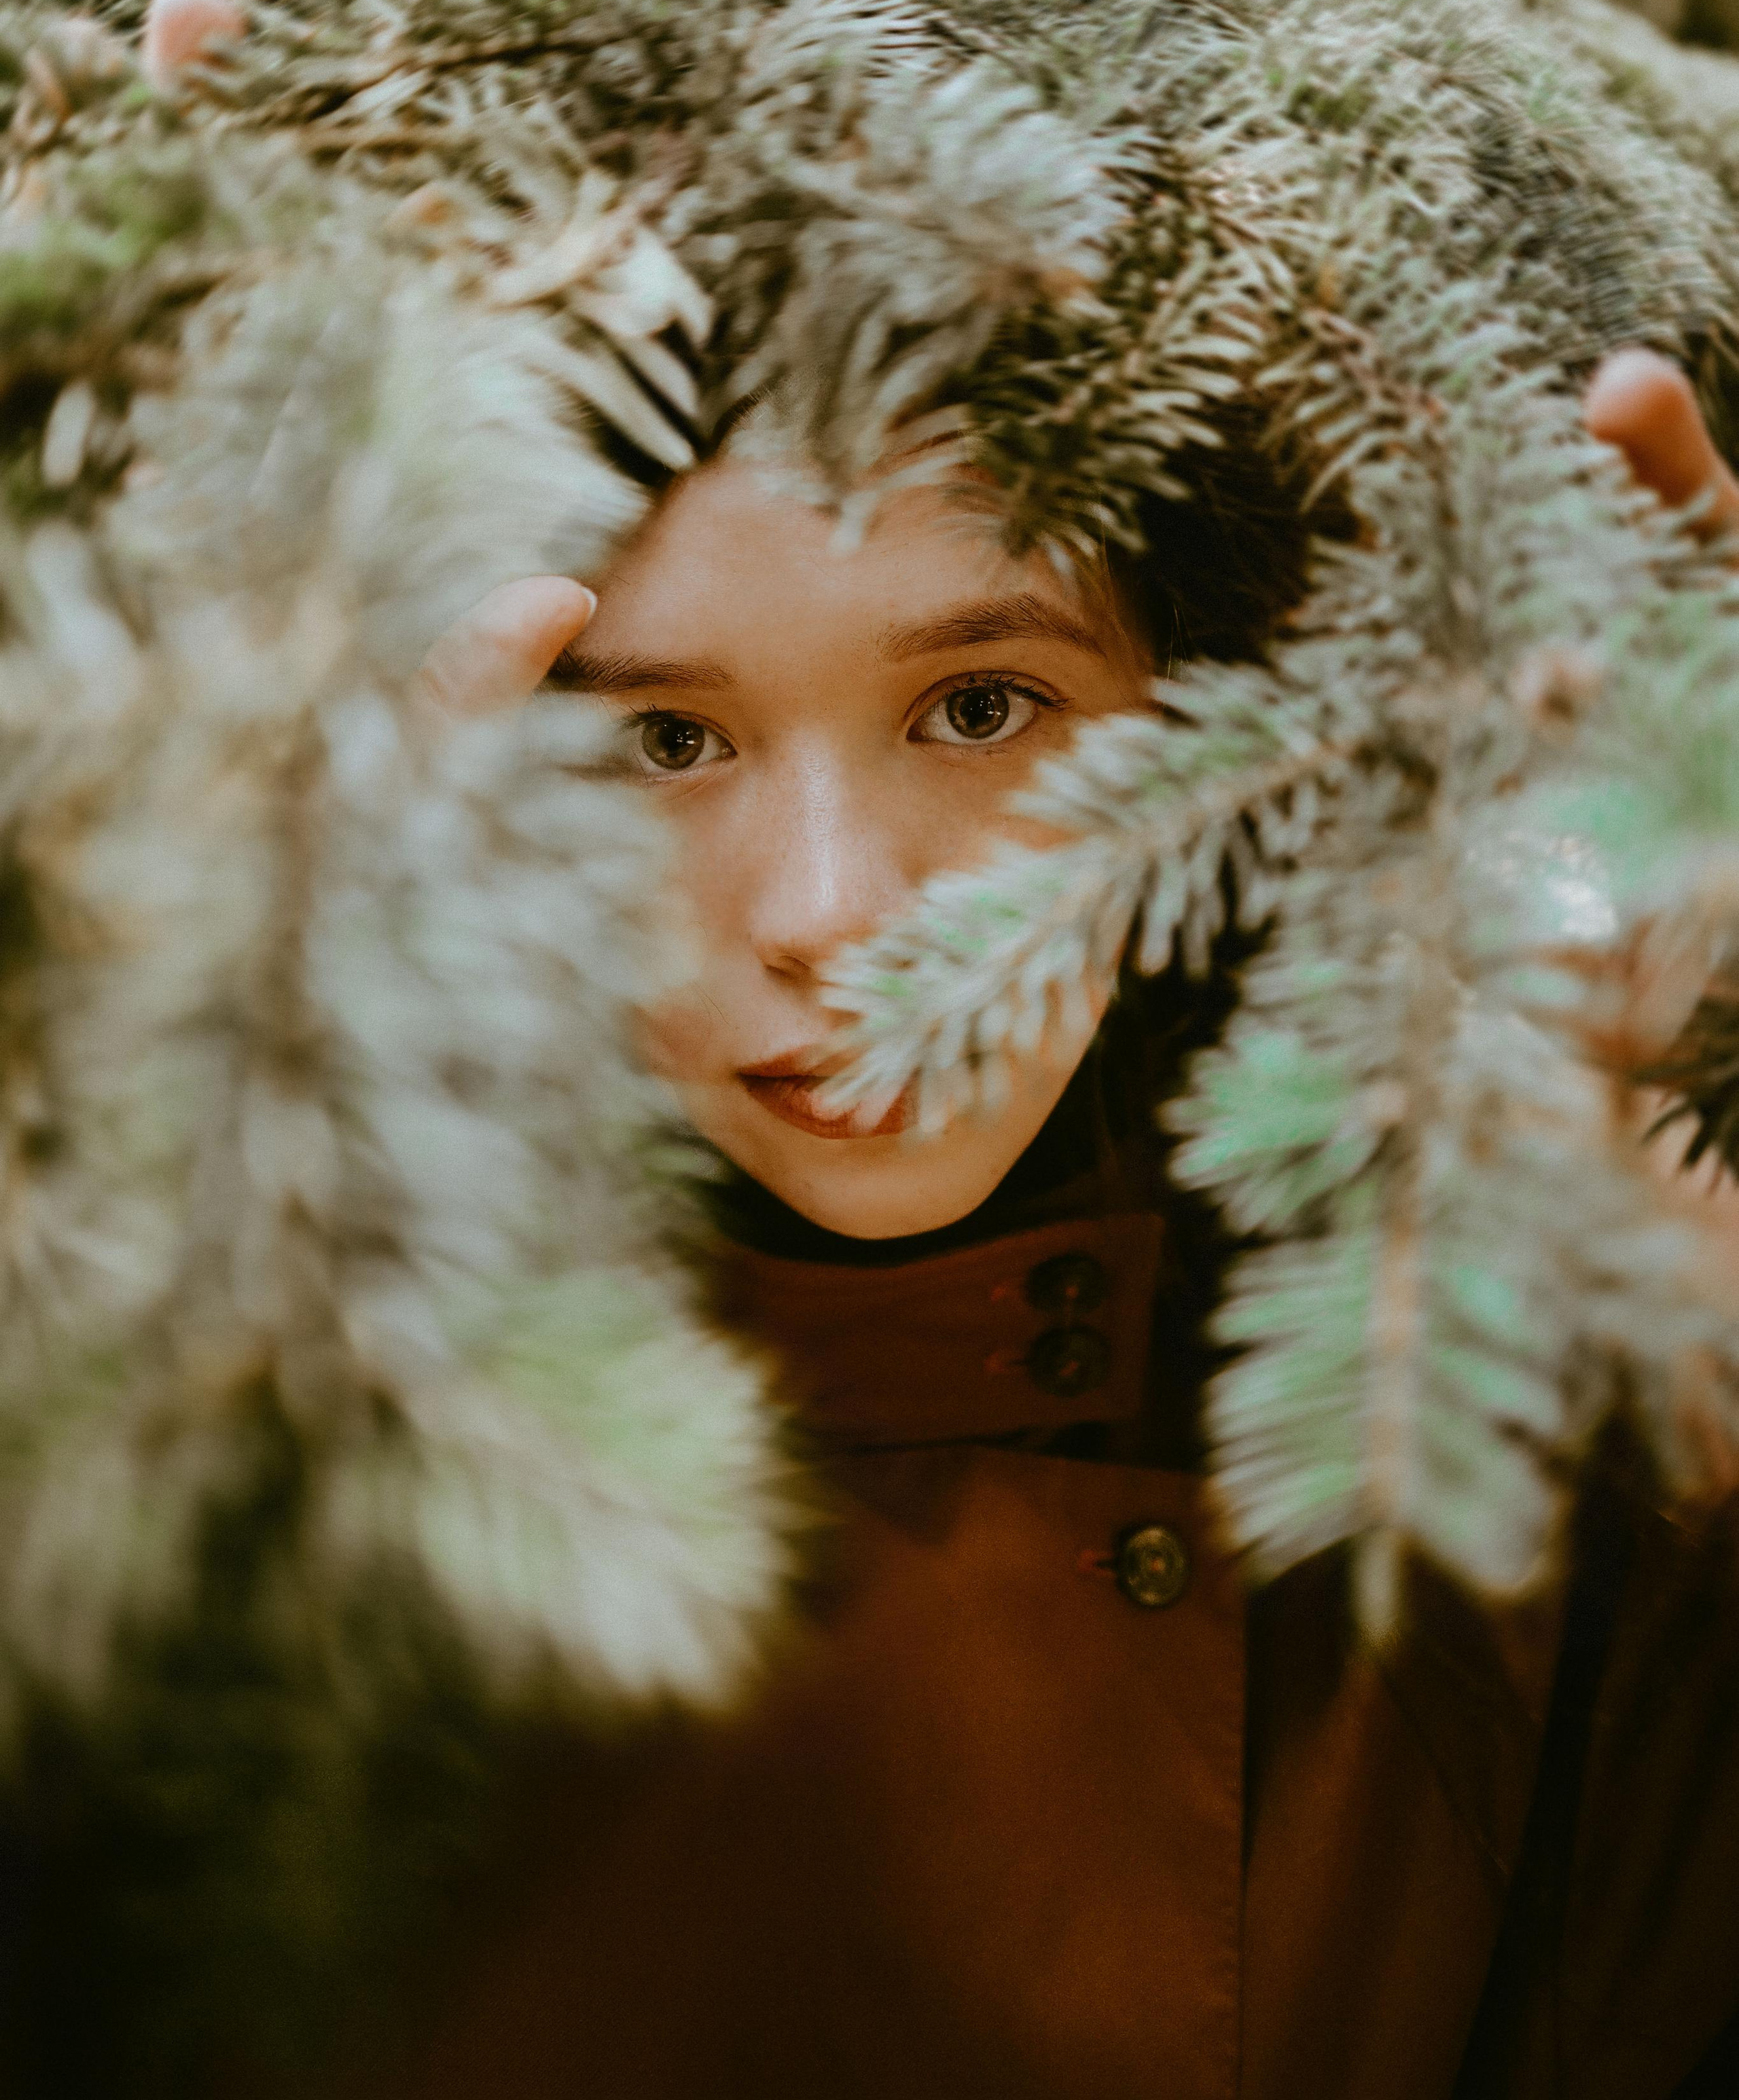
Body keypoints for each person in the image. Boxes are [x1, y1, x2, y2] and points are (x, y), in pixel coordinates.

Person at [363, 346, 1739, 2100]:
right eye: (663, 741)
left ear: (1208, 708)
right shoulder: (217, 1440)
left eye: (980, 708)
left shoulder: (1483, 1478)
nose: (832, 913)